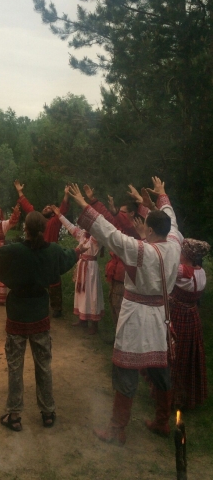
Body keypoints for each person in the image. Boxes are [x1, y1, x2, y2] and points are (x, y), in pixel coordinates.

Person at [68, 178, 181, 445]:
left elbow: (108, 232)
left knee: (126, 371)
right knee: (159, 370)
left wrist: (85, 204)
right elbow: (171, 218)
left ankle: (118, 429)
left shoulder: (142, 251)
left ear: (151, 231)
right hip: (160, 318)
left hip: (135, 318)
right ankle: (163, 422)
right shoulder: (175, 243)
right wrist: (163, 195)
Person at [0, 210, 83, 432]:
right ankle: (47, 412)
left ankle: (15, 414)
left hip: (17, 315)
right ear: (44, 229)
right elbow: (66, 259)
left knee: (15, 367)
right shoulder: (52, 252)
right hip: (39, 316)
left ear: (25, 230)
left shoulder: (14, 252)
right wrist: (78, 251)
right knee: (44, 366)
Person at [82, 184, 142, 329]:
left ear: (132, 213)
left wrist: (115, 213)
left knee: (123, 310)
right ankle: (118, 338)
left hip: (126, 277)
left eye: (122, 212)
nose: (118, 214)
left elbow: (121, 222)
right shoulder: (120, 226)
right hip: (116, 274)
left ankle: (126, 341)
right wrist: (93, 200)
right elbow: (107, 218)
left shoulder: (137, 230)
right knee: (114, 305)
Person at [14, 179, 69, 317]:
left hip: (50, 253)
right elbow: (28, 207)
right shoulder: (38, 219)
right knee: (34, 279)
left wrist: (66, 195)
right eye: (45, 207)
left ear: (53, 213)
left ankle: (56, 308)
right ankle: (34, 303)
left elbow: (63, 210)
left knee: (54, 280)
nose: (45, 208)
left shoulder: (55, 222)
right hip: (36, 251)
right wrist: (20, 191)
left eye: (49, 208)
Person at [51, 192, 103, 335]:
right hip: (82, 265)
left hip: (91, 268)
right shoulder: (81, 234)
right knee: (81, 292)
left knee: (92, 294)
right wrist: (59, 215)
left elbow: (101, 227)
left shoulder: (97, 237)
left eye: (88, 222)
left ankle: (94, 324)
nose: (85, 224)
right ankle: (82, 319)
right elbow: (69, 226)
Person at [170, 238, 210, 409]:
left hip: (178, 315)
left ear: (185, 255)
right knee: (188, 355)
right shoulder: (201, 272)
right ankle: (186, 396)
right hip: (192, 316)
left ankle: (171, 397)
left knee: (174, 354)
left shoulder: (182, 271)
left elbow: (162, 268)